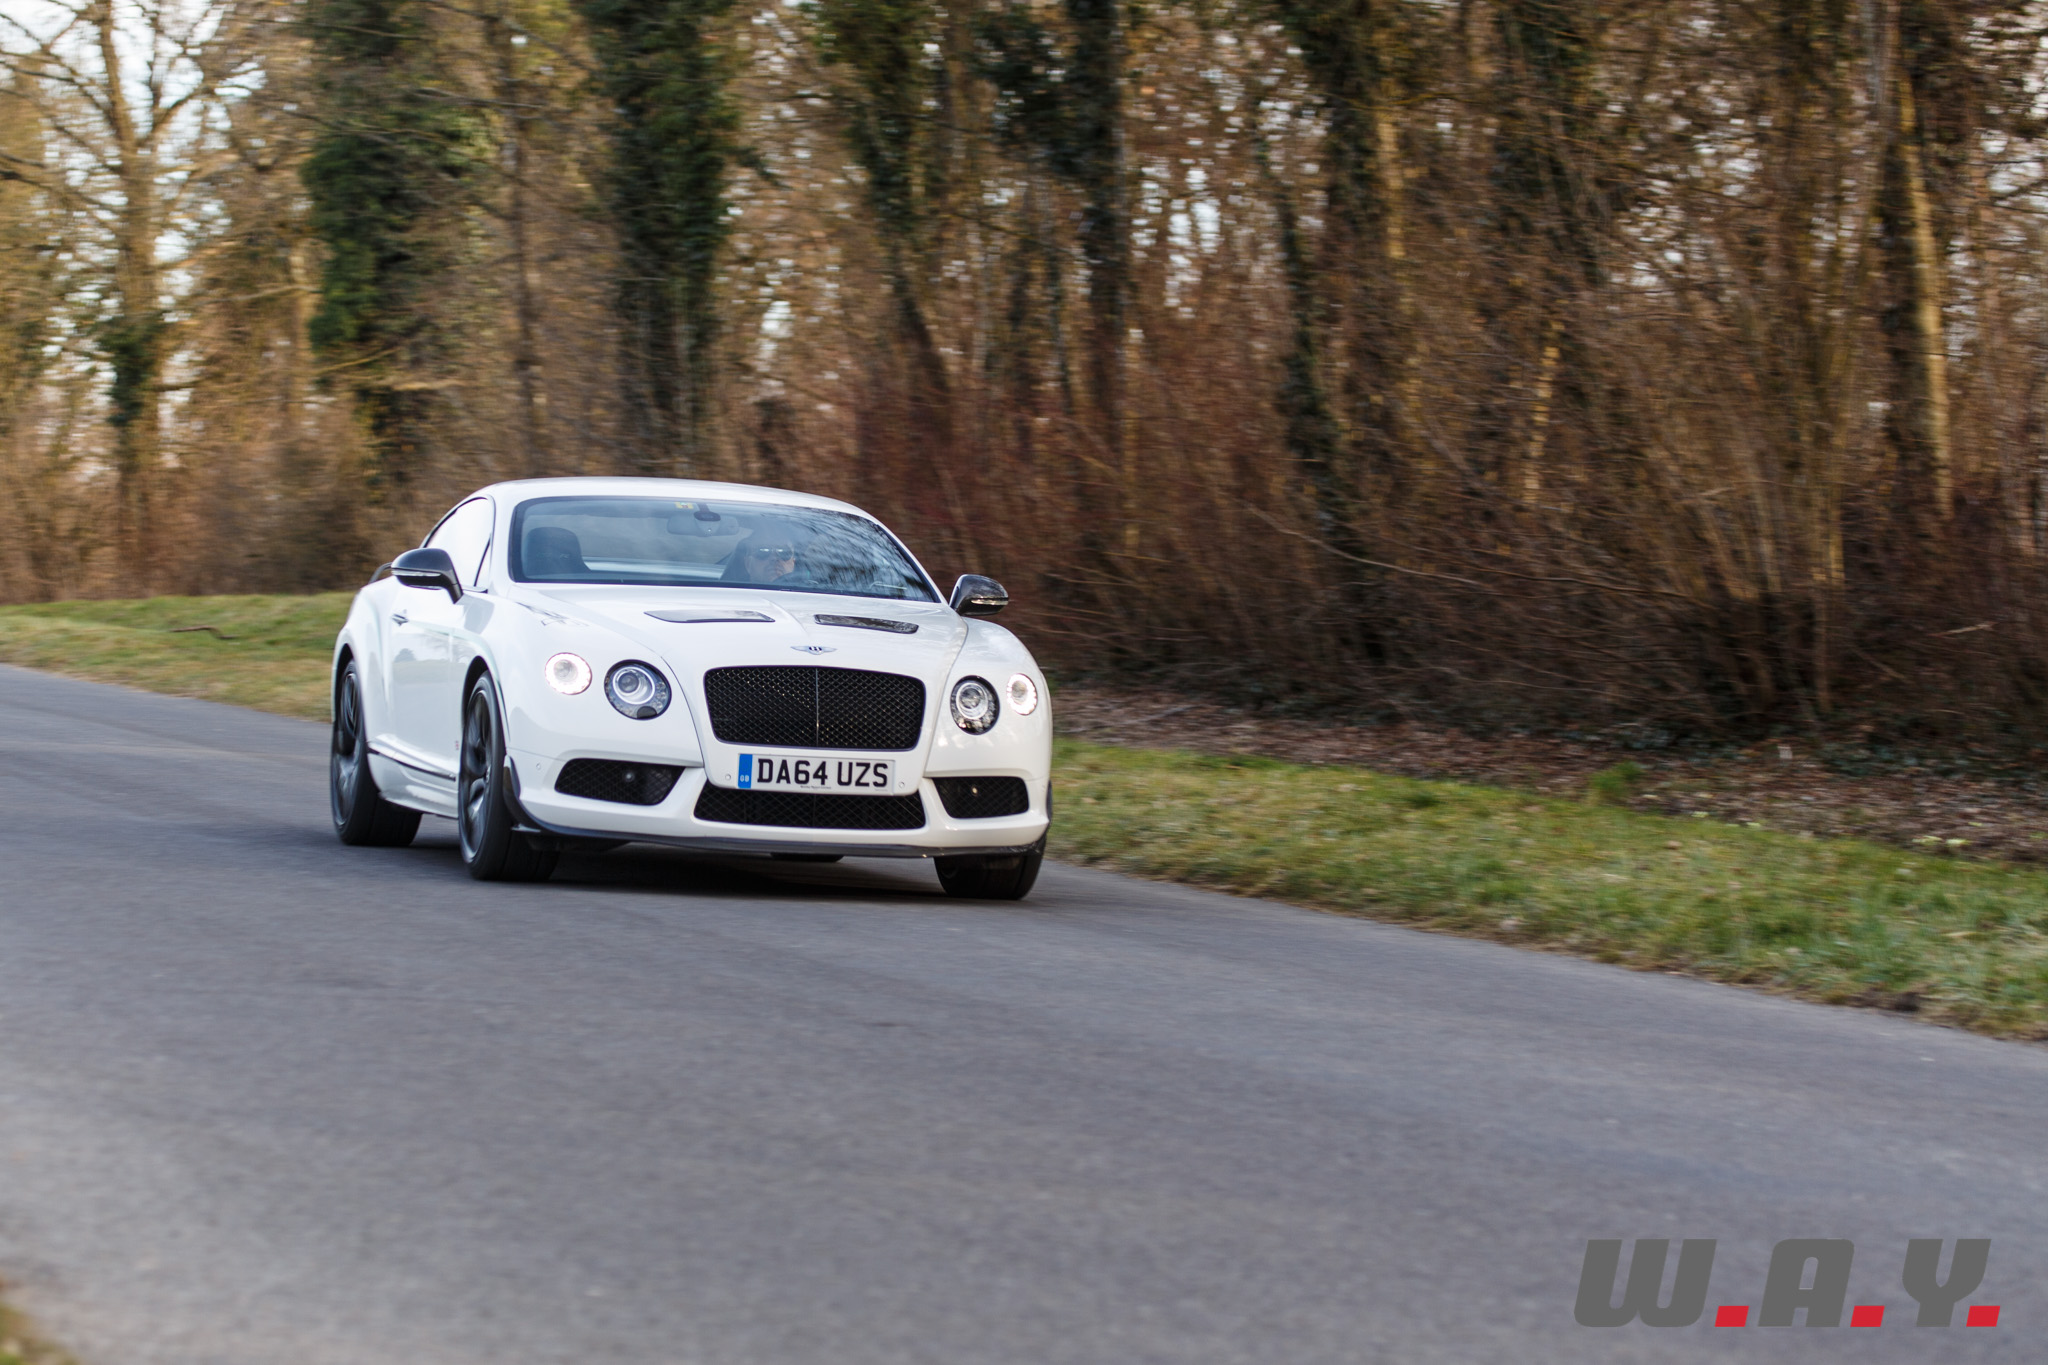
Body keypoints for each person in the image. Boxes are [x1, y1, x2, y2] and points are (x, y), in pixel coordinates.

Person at [722, 519, 808, 584]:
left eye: (784, 552)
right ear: (748, 563)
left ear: (793, 562)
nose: (774, 558)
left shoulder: (811, 598)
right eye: (763, 551)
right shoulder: (730, 598)